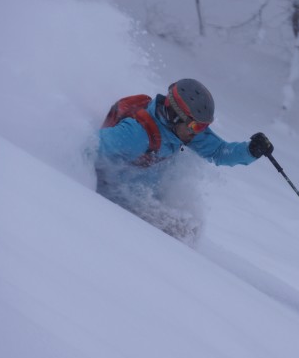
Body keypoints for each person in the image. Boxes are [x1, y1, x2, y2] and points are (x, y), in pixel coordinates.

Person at [95, 78, 273, 240]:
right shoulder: (135, 134)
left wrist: (250, 150)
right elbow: (90, 147)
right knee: (183, 231)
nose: (199, 131)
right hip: (116, 196)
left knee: (190, 230)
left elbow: (219, 151)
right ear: (174, 115)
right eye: (196, 125)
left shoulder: (185, 131)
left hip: (145, 192)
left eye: (204, 126)